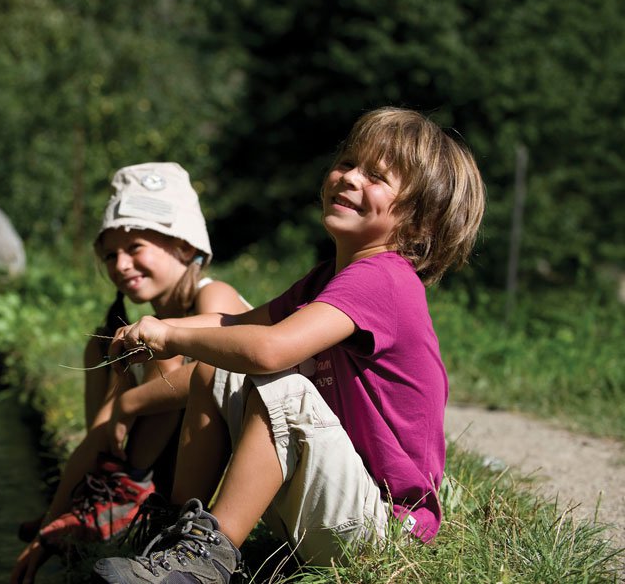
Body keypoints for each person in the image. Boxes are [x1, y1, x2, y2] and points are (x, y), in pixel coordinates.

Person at [93, 107, 486, 583]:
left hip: (384, 533)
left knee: (284, 390)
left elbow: (270, 350)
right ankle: (179, 536)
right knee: (210, 371)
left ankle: (203, 563)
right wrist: (153, 330)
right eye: (348, 163)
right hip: (328, 504)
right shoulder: (327, 279)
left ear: (418, 221)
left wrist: (173, 334)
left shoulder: (384, 279)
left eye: (376, 176)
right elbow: (234, 323)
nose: (349, 178)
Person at [11, 162, 251, 583]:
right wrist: (54, 518)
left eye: (135, 247)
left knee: (159, 353)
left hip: (234, 455)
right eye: (110, 255)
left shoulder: (214, 294)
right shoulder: (137, 331)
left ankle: (131, 497)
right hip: (170, 458)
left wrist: (129, 401)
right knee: (104, 344)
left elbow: (217, 371)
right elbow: (99, 434)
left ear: (182, 246)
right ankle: (107, 493)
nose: (121, 265)